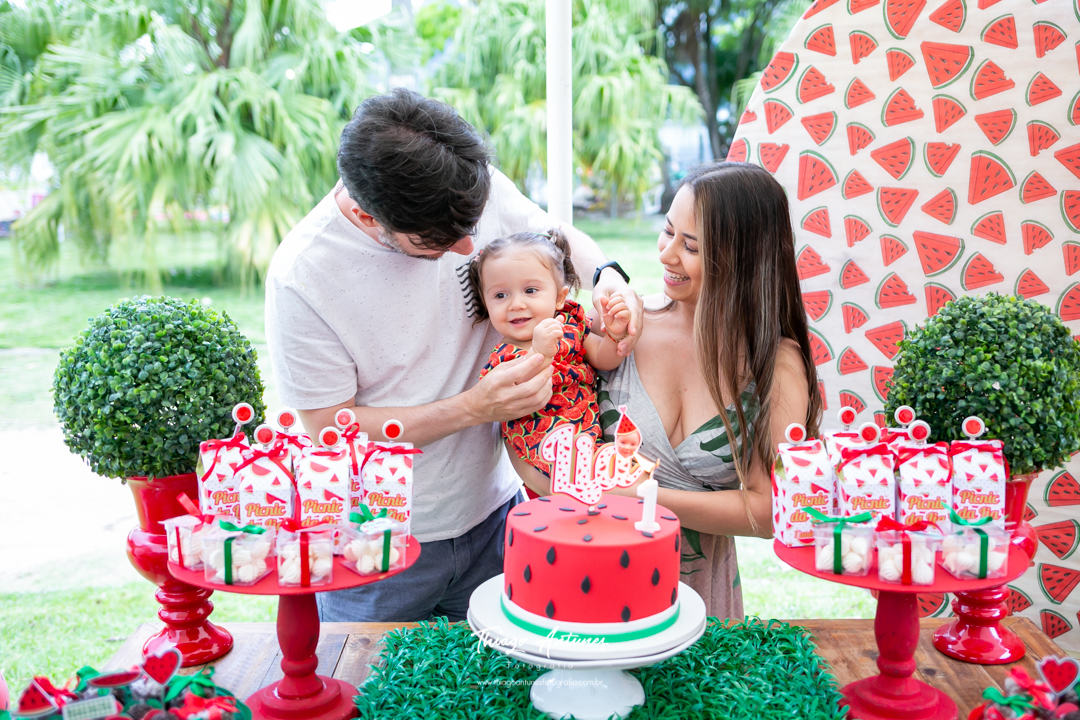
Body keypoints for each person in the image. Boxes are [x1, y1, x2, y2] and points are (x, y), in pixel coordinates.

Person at [264, 89, 642, 623]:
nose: (469, 249)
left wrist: (609, 278)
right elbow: (328, 424)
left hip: (496, 519)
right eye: (439, 242)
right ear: (372, 218)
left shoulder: (467, 185)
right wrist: (473, 409)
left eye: (471, 227)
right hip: (381, 549)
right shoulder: (304, 275)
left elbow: (555, 237)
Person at [596, 161, 822, 620]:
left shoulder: (775, 365)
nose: (665, 255)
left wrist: (640, 497)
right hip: (596, 578)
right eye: (667, 231)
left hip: (700, 599)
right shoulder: (620, 331)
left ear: (741, 259)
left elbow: (770, 509)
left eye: (691, 246)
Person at [468, 229, 634, 482]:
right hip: (545, 449)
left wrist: (615, 333)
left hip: (589, 435)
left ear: (559, 298)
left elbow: (604, 359)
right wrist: (540, 352)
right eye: (501, 295)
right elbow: (511, 399)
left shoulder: (571, 328)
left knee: (626, 478)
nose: (516, 304)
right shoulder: (504, 357)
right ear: (485, 302)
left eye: (530, 291)